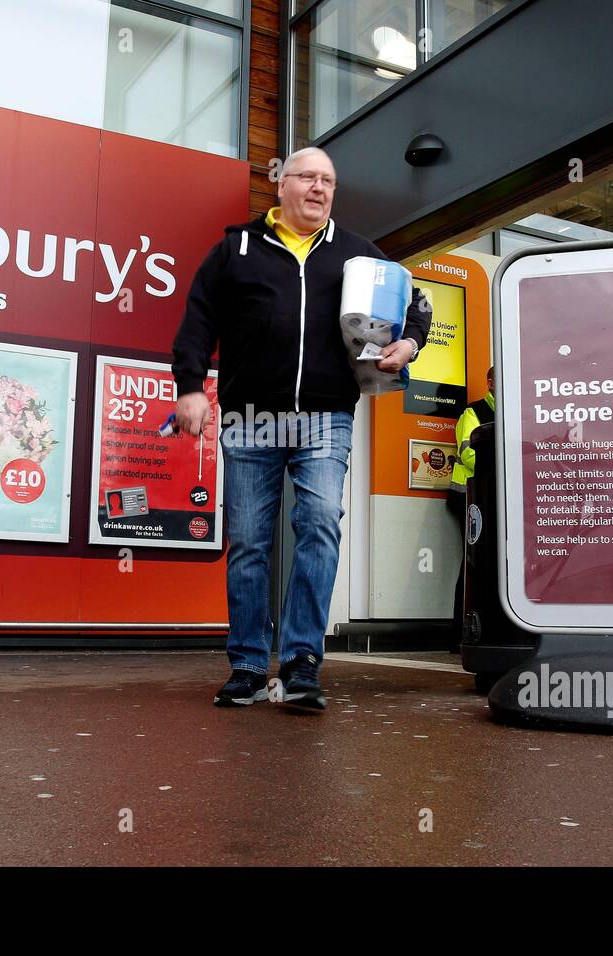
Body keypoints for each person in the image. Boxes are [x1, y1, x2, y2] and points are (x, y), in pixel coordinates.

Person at [172, 146, 431, 710]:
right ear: (281, 183)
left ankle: (300, 661)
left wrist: (409, 342)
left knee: (319, 523)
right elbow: (198, 318)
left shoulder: (359, 256)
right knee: (249, 543)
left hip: (325, 414)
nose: (319, 188)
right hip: (250, 417)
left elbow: (417, 303)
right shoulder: (236, 248)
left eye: (329, 181)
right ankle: (246, 664)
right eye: (309, 178)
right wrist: (190, 386)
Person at [448, 366, 496, 634]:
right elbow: (468, 454)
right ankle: (461, 633)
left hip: (491, 496)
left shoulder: (513, 413)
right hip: (468, 496)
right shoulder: (472, 412)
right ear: (489, 382)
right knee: (473, 562)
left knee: (487, 562)